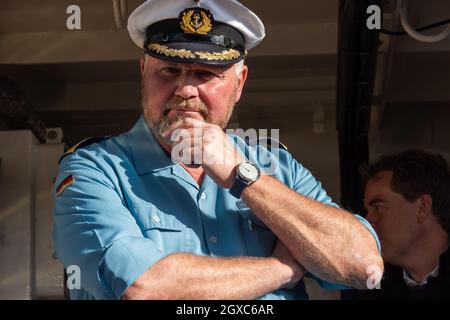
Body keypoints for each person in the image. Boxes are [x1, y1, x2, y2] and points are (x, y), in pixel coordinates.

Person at [52, 0, 382, 300]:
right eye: (169, 70)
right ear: (143, 73)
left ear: (239, 84)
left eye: (205, 73)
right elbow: (145, 289)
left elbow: (364, 265)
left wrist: (246, 179)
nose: (185, 89)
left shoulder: (276, 166)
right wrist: (283, 268)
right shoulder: (93, 169)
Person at [357, 150, 450, 299]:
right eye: (368, 210)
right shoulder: (374, 292)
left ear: (422, 208)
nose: (367, 222)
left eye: (378, 207)